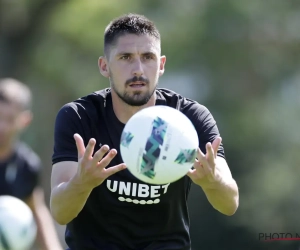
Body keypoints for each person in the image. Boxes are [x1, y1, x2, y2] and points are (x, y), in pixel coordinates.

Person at [50, 13, 239, 250]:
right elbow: (59, 212)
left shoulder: (189, 119)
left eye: (148, 57)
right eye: (126, 57)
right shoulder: (78, 117)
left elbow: (230, 203)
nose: (138, 69)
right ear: (104, 66)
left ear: (160, 65)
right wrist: (82, 183)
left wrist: (213, 181)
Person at [0, 78, 63, 250]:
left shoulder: (27, 165)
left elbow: (37, 211)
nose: (2, 127)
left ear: (25, 120)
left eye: (9, 119)